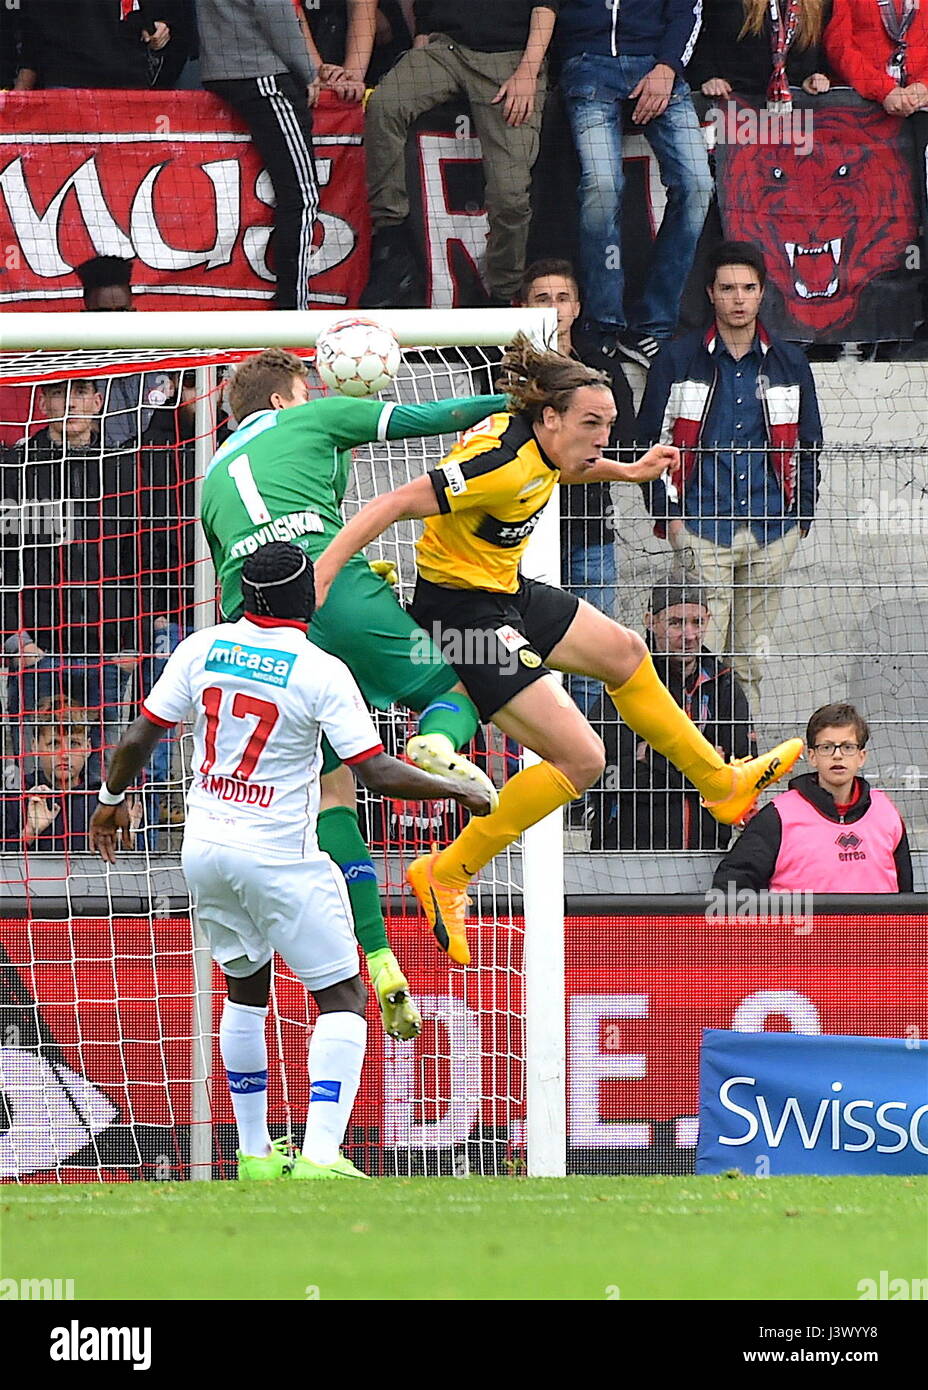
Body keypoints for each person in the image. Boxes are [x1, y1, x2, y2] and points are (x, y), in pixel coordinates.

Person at [313, 336, 803, 965]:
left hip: (505, 590)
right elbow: (391, 502)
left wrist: (626, 471)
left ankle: (720, 784)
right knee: (584, 758)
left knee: (627, 653)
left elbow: (568, 466)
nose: (602, 436)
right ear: (549, 419)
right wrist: (325, 573)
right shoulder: (499, 463)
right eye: (592, 424)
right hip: (462, 613)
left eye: (608, 425)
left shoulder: (544, 443)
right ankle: (449, 871)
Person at [89, 543, 491, 1179]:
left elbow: (141, 734)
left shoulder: (201, 647)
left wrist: (111, 799)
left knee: (245, 991)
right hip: (278, 854)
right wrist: (459, 789)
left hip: (206, 848)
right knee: (345, 996)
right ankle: (320, 1156)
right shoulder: (322, 669)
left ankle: (252, 1155)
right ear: (303, 597)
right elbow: (377, 772)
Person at [201, 348, 505, 1035]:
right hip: (328, 586)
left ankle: (377, 953)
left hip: (255, 636)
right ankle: (433, 740)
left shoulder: (212, 476)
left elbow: (240, 556)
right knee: (450, 691)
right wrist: (515, 407)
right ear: (283, 400)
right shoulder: (314, 417)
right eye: (305, 391)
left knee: (331, 796)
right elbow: (436, 417)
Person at [637, 240, 822, 713]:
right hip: (701, 526)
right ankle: (688, 769)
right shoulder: (677, 359)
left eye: (748, 288)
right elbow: (647, 445)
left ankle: (741, 761)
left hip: (772, 529)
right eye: (727, 288)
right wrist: (669, 516)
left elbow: (809, 444)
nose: (738, 298)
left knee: (750, 661)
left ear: (762, 293)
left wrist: (801, 516)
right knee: (697, 658)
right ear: (710, 294)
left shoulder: (790, 362)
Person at [361, 0, 559, 308]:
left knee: (510, 196)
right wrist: (422, 39)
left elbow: (547, 6)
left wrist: (528, 72)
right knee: (384, 105)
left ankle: (503, 296)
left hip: (510, 58)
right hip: (447, 49)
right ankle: (391, 240)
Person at [556, 0, 714, 367]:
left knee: (697, 183)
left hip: (657, 65)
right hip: (588, 65)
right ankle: (604, 323)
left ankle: (654, 325)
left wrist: (668, 66)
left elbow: (687, 11)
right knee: (602, 185)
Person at [518, 257, 636, 714]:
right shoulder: (509, 377)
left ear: (579, 306)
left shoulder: (600, 372)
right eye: (542, 299)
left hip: (589, 536)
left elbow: (622, 447)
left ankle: (584, 777)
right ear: (522, 306)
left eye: (562, 298)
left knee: (592, 664)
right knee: (521, 663)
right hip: (519, 537)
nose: (554, 308)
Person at [588, 582, 754, 849]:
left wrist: (653, 757)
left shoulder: (723, 682)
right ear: (650, 622)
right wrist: (705, 765)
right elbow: (609, 775)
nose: (689, 635)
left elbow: (742, 769)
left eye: (697, 622)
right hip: (627, 852)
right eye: (676, 623)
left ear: (708, 621)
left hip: (707, 850)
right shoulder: (622, 680)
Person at [196, 0, 320, 310]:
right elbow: (274, 9)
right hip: (261, 71)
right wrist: (308, 71)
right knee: (302, 198)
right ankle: (295, 315)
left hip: (222, 68)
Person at [712, 702, 913, 892]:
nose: (837, 755)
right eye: (826, 747)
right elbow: (729, 887)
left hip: (876, 930)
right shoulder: (778, 817)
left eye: (848, 747)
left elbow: (906, 899)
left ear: (862, 756)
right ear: (812, 756)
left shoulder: (886, 813)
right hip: (802, 930)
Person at [1, 697, 143, 853]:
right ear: (35, 746)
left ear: (88, 747)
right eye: (54, 743)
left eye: (74, 744)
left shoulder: (104, 799)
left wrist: (126, 840)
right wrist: (29, 833)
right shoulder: (15, 796)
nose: (64, 754)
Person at [14, 0, 183, 90]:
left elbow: (161, 19)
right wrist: (23, 86)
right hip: (68, 82)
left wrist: (160, 26)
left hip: (129, 81)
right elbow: (35, 25)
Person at [687, 0, 832, 103]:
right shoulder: (730, 5)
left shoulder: (818, 5)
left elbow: (817, 55)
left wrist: (812, 78)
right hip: (733, 105)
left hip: (792, 113)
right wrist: (708, 78)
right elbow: (703, 38)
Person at [823, 0, 928, 116]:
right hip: (861, 106)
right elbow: (839, 47)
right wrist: (882, 89)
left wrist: (924, 85)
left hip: (919, 108)